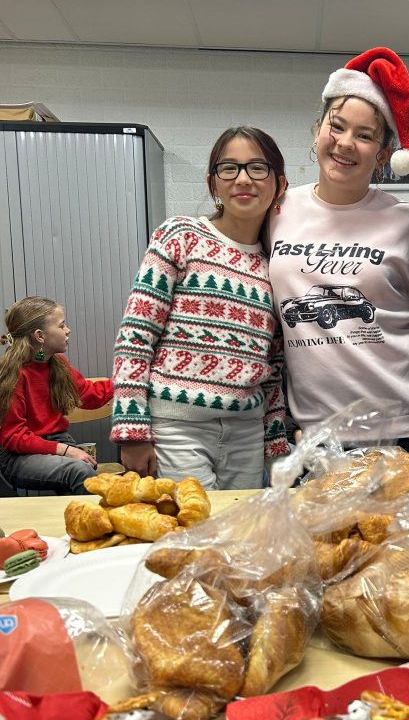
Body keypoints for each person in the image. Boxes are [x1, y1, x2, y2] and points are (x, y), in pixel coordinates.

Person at [269, 48, 409, 469]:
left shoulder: (408, 222)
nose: (345, 143)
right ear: (317, 130)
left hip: (403, 429)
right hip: (315, 433)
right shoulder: (277, 211)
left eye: (364, 135)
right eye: (337, 127)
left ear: (383, 154)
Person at [111, 126, 290, 490]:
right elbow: (135, 336)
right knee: (192, 536)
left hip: (246, 433)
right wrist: (132, 430)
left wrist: (275, 443)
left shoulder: (277, 264)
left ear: (280, 185)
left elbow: (271, 367)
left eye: (258, 168)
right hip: (178, 428)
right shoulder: (180, 236)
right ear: (213, 184)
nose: (243, 179)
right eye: (229, 168)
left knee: (240, 538)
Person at [0, 297, 113, 494]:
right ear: (40, 336)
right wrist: (66, 450)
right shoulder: (14, 374)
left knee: (85, 470)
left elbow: (87, 394)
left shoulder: (56, 363)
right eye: (62, 326)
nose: (68, 330)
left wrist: (128, 382)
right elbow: (13, 437)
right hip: (18, 455)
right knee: (79, 471)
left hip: (58, 441)